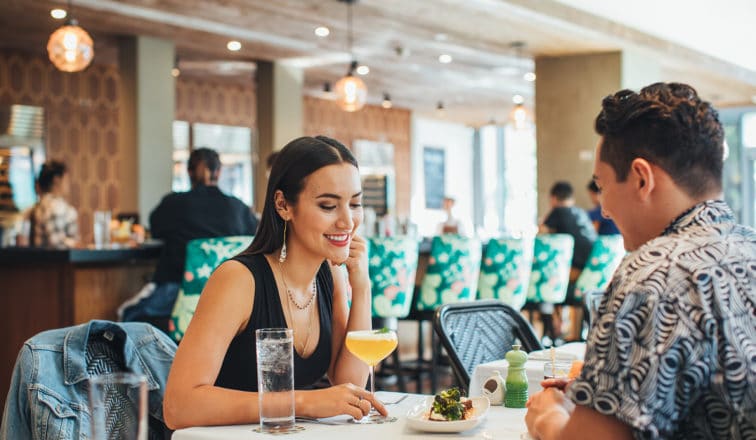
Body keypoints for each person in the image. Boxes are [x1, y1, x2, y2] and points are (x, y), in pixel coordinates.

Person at [525, 83, 755, 440]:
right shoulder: (749, 245)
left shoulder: (654, 274)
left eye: (602, 186)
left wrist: (547, 418)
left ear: (641, 178)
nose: (604, 208)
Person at [163, 136, 387, 429]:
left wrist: (361, 285)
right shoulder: (239, 280)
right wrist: (303, 402)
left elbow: (348, 384)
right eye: (329, 206)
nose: (348, 221)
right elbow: (179, 407)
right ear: (283, 205)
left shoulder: (328, 275)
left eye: (355, 203)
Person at [118, 147, 258, 326]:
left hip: (177, 298)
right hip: (228, 299)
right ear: (219, 171)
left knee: (128, 315)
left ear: (189, 171)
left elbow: (155, 230)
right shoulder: (239, 209)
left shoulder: (173, 204)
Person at [538, 181, 597, 341]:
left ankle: (551, 331)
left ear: (553, 198)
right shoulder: (581, 213)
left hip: (576, 271)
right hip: (593, 273)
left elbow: (541, 238)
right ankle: (560, 328)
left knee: (544, 281)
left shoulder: (557, 212)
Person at [28, 160, 78, 248]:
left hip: (41, 260)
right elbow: (56, 243)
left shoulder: (40, 205)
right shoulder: (55, 206)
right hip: (59, 261)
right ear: (57, 180)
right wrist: (77, 245)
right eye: (66, 179)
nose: (68, 184)